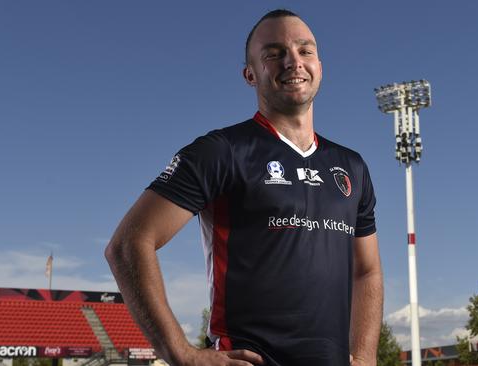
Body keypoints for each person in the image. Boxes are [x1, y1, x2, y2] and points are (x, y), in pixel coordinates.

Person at [105, 9, 383, 366]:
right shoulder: (222, 151)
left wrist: (364, 356)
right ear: (250, 74)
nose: (293, 61)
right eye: (274, 53)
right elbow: (128, 244)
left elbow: (367, 270)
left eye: (305, 50)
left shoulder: (352, 168)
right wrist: (181, 353)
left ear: (320, 64)